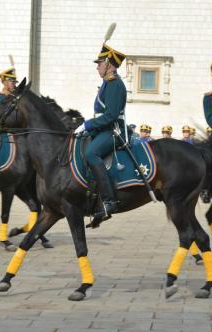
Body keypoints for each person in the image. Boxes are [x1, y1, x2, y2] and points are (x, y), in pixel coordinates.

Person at [74, 34, 127, 220]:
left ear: (109, 65)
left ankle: (109, 201)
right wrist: (87, 128)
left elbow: (111, 116)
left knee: (91, 153)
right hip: (103, 129)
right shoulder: (106, 84)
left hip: (113, 131)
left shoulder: (115, 85)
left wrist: (88, 125)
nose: (97, 67)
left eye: (100, 63)